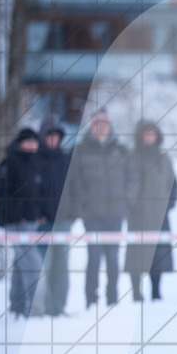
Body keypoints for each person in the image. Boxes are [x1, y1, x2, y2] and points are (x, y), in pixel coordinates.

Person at [68, 109, 137, 308]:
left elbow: (133, 179)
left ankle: (112, 298)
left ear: (110, 126)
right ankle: (91, 299)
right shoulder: (81, 150)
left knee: (113, 258)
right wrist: (82, 205)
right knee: (94, 258)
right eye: (97, 124)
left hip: (116, 214)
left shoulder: (121, 150)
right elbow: (74, 180)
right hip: (92, 214)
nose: (101, 128)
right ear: (91, 127)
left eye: (105, 124)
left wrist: (126, 201)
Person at [0, 128, 47, 317]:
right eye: (28, 141)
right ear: (20, 143)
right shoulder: (9, 163)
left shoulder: (35, 162)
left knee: (20, 262)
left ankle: (17, 305)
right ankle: (35, 308)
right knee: (32, 262)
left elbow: (37, 193)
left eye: (35, 142)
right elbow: (1, 193)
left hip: (31, 222)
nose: (32, 145)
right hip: (16, 223)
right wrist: (17, 215)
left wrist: (38, 213)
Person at [124, 121, 177, 301]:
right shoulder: (132, 157)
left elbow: (173, 184)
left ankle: (156, 292)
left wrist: (168, 204)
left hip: (160, 214)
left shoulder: (164, 159)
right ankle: (136, 292)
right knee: (136, 255)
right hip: (138, 215)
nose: (149, 137)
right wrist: (132, 205)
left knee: (158, 255)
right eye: (146, 134)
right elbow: (127, 184)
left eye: (152, 134)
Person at [37, 116, 72, 316]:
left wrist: (72, 213)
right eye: (49, 135)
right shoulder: (35, 159)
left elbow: (75, 188)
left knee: (61, 266)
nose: (53, 139)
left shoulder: (65, 159)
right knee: (44, 265)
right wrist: (36, 214)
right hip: (41, 223)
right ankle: (42, 307)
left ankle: (58, 307)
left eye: (56, 136)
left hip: (63, 221)